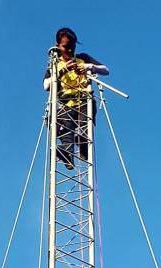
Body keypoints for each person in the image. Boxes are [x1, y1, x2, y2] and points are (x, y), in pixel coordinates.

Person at [43, 27, 109, 170]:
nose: (69, 51)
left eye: (72, 47)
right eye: (66, 47)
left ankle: (83, 146)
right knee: (67, 128)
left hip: (84, 100)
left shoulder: (82, 58)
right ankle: (66, 155)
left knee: (85, 124)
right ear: (58, 46)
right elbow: (46, 86)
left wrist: (88, 67)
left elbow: (106, 70)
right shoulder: (55, 64)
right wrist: (62, 71)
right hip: (67, 104)